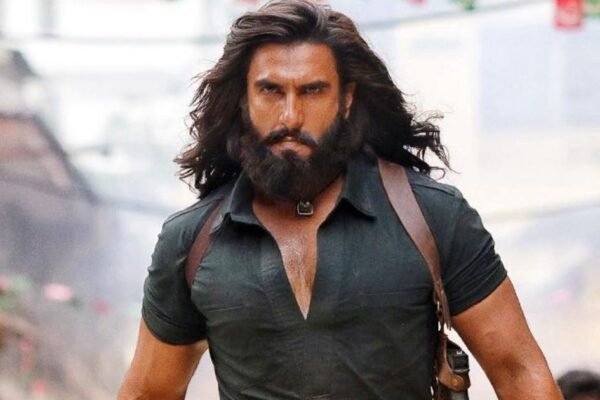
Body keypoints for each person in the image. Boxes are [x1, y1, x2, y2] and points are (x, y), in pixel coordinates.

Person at [118, 1, 563, 399]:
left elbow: (519, 373)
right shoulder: (191, 241)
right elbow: (149, 393)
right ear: (243, 101)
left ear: (346, 99)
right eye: (271, 91)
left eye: (312, 91)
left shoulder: (432, 217)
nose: (290, 116)